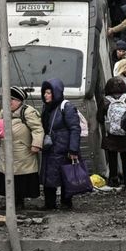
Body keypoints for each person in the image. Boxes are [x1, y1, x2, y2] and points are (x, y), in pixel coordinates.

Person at [0, 87, 43, 210]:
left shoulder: (28, 112)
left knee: (20, 178)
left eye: (13, 99)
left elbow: (38, 129)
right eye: (8, 99)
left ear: (20, 101)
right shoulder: (4, 111)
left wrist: (36, 144)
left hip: (23, 152)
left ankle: (19, 202)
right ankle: (10, 202)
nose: (10, 102)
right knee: (8, 176)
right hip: (7, 151)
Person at [39, 78, 81, 210]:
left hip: (63, 149)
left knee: (65, 176)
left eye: (49, 92)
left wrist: (73, 150)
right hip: (50, 148)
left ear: (56, 93)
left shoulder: (66, 107)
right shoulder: (47, 108)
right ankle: (49, 204)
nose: (45, 95)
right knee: (49, 176)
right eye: (45, 93)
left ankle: (66, 203)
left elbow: (75, 128)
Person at [100, 77, 126, 187]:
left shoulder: (105, 100)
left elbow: (99, 117)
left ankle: (114, 179)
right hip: (125, 134)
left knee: (112, 157)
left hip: (111, 134)